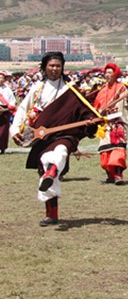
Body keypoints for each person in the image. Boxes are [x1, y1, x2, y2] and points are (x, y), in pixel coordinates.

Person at [10, 52, 102, 226]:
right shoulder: (38, 88)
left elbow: (85, 110)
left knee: (61, 152)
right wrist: (15, 129)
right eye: (51, 65)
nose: (54, 69)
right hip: (44, 135)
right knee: (46, 161)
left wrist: (91, 120)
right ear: (45, 67)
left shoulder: (71, 89)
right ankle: (51, 214)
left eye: (58, 66)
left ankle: (52, 171)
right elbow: (22, 109)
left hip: (67, 134)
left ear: (62, 68)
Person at [93, 63, 128, 185]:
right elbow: (96, 107)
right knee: (105, 152)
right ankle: (110, 176)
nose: (107, 75)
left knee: (118, 152)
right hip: (105, 125)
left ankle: (118, 175)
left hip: (118, 124)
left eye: (110, 72)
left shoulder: (122, 89)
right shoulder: (102, 91)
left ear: (116, 74)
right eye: (106, 72)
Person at [0, 70, 17, 154]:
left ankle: (2, 147)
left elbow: (12, 100)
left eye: (2, 78)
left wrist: (7, 108)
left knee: (3, 131)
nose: (1, 79)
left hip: (5, 111)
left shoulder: (7, 89)